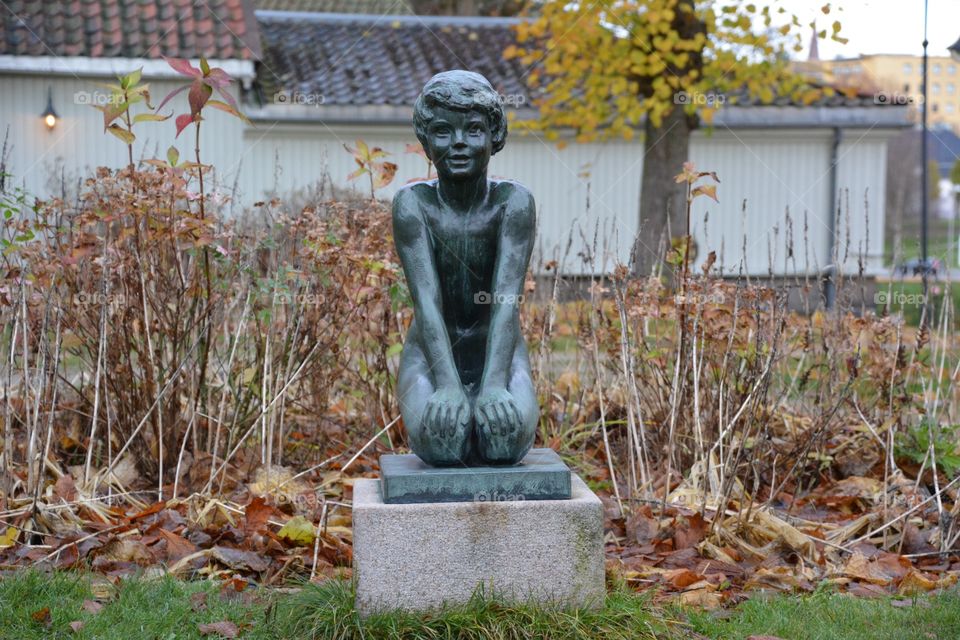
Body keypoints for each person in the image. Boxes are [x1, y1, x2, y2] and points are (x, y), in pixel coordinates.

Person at [392, 70, 538, 466]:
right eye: (443, 131)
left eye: (473, 130)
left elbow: (506, 301)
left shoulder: (513, 203)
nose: (458, 143)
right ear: (426, 141)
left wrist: (493, 386)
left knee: (505, 443)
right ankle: (455, 399)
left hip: (499, 356)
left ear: (495, 137)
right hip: (432, 355)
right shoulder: (413, 205)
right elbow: (426, 302)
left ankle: (487, 396)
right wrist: (447, 386)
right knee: (442, 446)